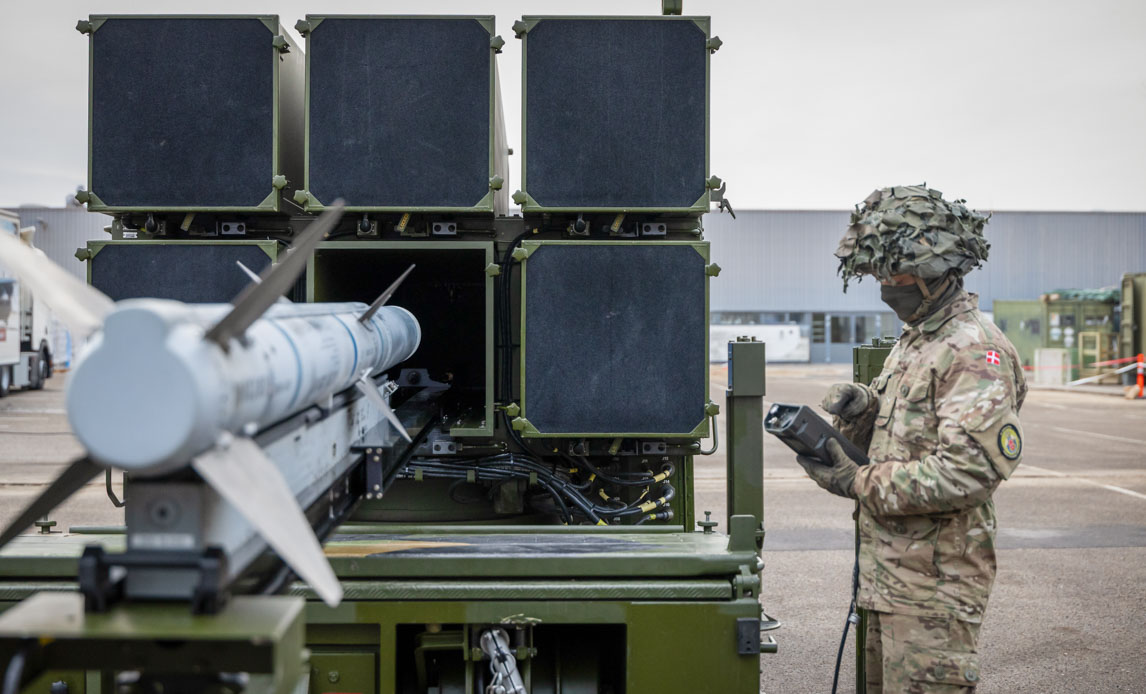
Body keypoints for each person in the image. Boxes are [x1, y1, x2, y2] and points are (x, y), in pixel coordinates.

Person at [798, 185, 1026, 693]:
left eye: (893, 272)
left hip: (934, 591)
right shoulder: (918, 341)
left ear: (932, 271)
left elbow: (967, 473)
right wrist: (864, 411)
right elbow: (906, 435)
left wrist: (860, 481)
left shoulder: (972, 351)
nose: (884, 283)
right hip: (890, 580)